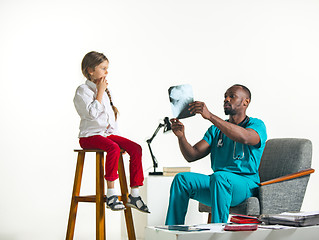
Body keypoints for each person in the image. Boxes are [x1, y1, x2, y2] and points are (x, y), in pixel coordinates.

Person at [165, 84, 267, 225]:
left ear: (246, 102)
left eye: (232, 96)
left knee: (220, 177)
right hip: (218, 184)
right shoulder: (215, 130)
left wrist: (210, 116)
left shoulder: (256, 125)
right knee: (182, 179)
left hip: (245, 185)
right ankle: (173, 230)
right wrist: (181, 137)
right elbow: (192, 155)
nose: (226, 99)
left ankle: (216, 232)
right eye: (225, 96)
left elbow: (246, 137)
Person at [73, 51, 150, 213]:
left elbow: (111, 121)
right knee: (112, 148)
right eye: (103, 68)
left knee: (136, 148)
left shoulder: (108, 91)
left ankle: (134, 195)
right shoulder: (83, 91)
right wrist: (100, 91)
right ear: (90, 70)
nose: (106, 72)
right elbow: (92, 114)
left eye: (107, 68)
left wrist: (118, 139)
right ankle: (111, 194)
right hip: (89, 136)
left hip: (106, 135)